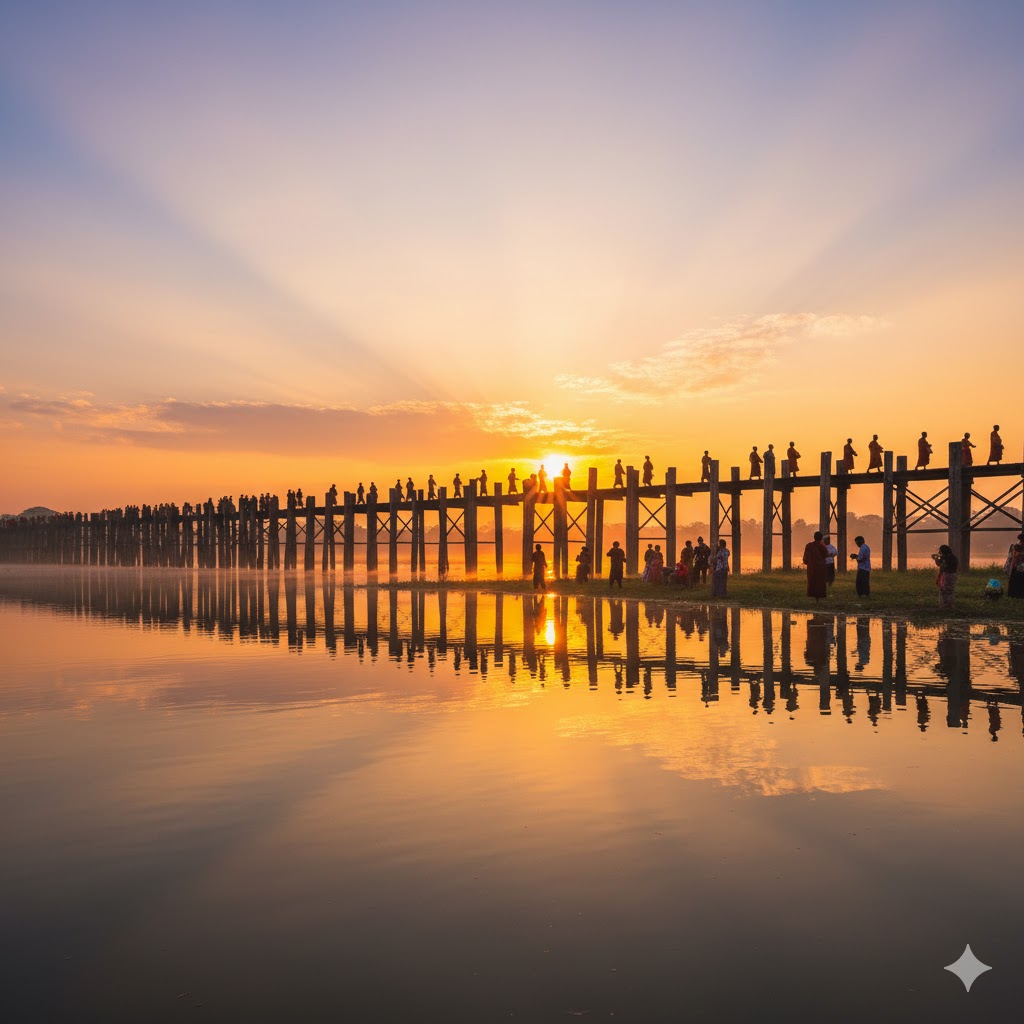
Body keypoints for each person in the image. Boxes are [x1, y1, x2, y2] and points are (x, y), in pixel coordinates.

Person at [803, 531, 828, 601]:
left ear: (814, 537)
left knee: (812, 581)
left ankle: (813, 595)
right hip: (821, 567)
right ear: (821, 538)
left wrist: (806, 562)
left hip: (811, 567)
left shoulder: (809, 545)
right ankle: (819, 596)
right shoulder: (822, 546)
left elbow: (805, 557)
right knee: (820, 582)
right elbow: (826, 555)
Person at [933, 544, 959, 609]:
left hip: (947, 575)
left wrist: (936, 559)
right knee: (950, 591)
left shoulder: (946, 558)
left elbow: (941, 565)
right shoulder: (953, 557)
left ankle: (945, 606)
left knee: (944, 591)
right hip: (953, 575)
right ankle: (949, 605)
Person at [1005, 533, 1024, 599]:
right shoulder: (1015, 546)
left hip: (1017, 568)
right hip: (1017, 569)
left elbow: (1010, 558)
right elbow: (1011, 558)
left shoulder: (1015, 546)